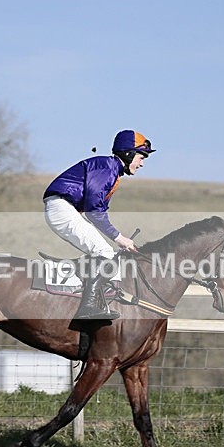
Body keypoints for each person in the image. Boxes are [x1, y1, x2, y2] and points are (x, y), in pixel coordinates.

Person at [43, 129, 155, 320]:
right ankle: (88, 306)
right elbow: (94, 211)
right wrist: (120, 239)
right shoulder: (106, 168)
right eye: (141, 157)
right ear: (128, 154)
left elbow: (98, 212)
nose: (142, 163)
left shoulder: (112, 171)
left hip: (64, 207)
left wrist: (119, 239)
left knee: (104, 253)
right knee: (105, 253)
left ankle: (85, 296)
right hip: (61, 207)